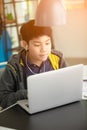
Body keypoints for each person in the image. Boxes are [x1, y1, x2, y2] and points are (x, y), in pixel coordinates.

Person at [0, 19, 67, 110]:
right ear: (25, 44)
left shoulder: (57, 59)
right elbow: (3, 99)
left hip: (55, 106)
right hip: (26, 114)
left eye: (47, 43)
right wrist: (27, 93)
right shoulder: (14, 66)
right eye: (37, 45)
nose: (44, 49)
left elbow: (68, 84)